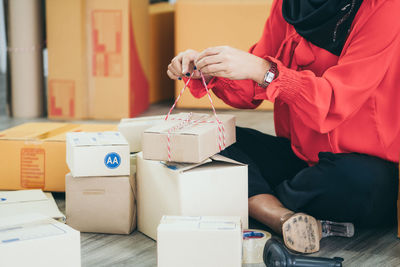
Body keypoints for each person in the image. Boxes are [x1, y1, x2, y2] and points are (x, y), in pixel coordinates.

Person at [167, 0, 400, 254]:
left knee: (367, 184)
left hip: (360, 166)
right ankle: (278, 214)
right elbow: (252, 88)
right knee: (212, 139)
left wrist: (264, 70)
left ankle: (253, 200)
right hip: (300, 158)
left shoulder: (385, 8)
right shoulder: (289, 6)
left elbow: (333, 102)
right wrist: (210, 71)